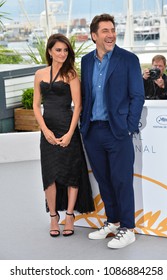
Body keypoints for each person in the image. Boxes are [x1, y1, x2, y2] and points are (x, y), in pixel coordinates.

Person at [80, 14, 145, 249]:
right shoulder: (86, 61)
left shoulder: (128, 59)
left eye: (113, 30)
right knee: (104, 180)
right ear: (94, 36)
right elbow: (86, 95)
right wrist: (82, 124)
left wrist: (129, 126)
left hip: (117, 131)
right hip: (92, 131)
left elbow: (138, 95)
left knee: (121, 181)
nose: (110, 35)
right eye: (105, 31)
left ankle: (128, 228)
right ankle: (113, 221)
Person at [33, 33, 94, 238]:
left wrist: (69, 133)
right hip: (48, 130)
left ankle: (69, 216)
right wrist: (45, 130)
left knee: (71, 174)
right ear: (50, 51)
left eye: (65, 50)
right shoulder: (39, 74)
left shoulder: (71, 74)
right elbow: (35, 105)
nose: (62, 53)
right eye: (58, 50)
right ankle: (53, 217)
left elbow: (78, 106)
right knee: (49, 176)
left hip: (68, 129)